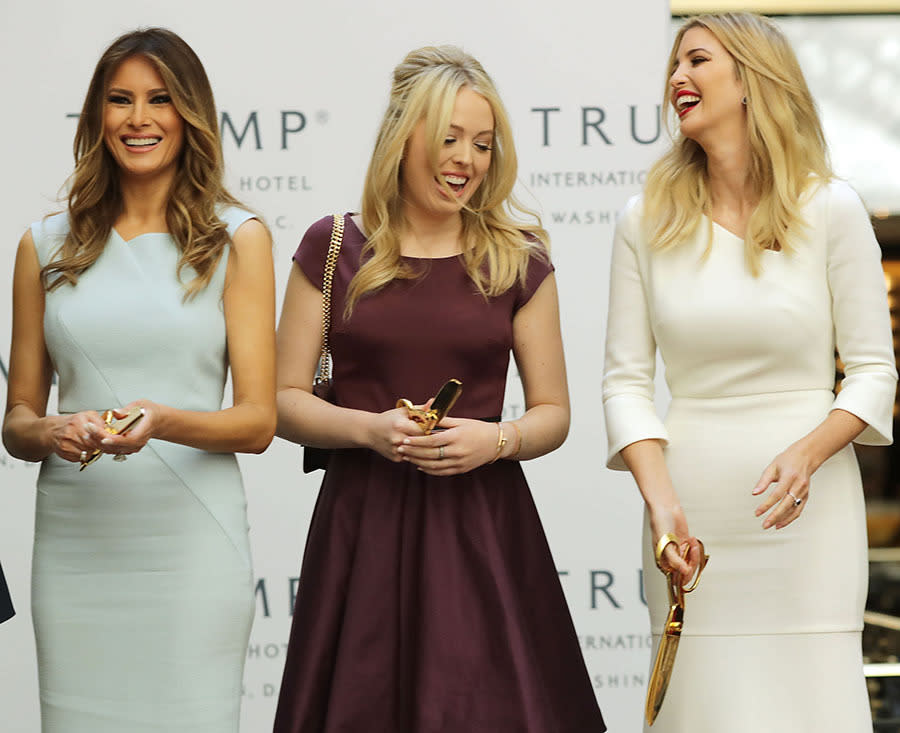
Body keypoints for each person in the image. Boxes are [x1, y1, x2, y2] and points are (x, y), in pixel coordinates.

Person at [272, 45, 605, 733]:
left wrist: (497, 438)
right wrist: (369, 429)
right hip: (362, 529)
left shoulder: (519, 259)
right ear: (404, 136)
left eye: (482, 144)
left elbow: (554, 412)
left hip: (484, 531)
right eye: (449, 137)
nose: (467, 159)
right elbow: (281, 401)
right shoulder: (332, 245)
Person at [602, 12, 897, 733]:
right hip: (690, 521)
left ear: (750, 82)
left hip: (811, 521)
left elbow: (871, 370)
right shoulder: (645, 219)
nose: (677, 78)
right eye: (674, 65)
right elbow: (625, 383)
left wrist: (808, 451)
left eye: (697, 60)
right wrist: (661, 504)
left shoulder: (831, 209)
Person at [2, 28, 276, 732]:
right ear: (97, 116)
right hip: (76, 551)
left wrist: (167, 418)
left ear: (191, 115)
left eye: (160, 100)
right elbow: (17, 420)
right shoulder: (43, 246)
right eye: (119, 100)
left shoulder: (237, 238)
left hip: (191, 548)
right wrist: (55, 428)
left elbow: (257, 422)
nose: (138, 118)